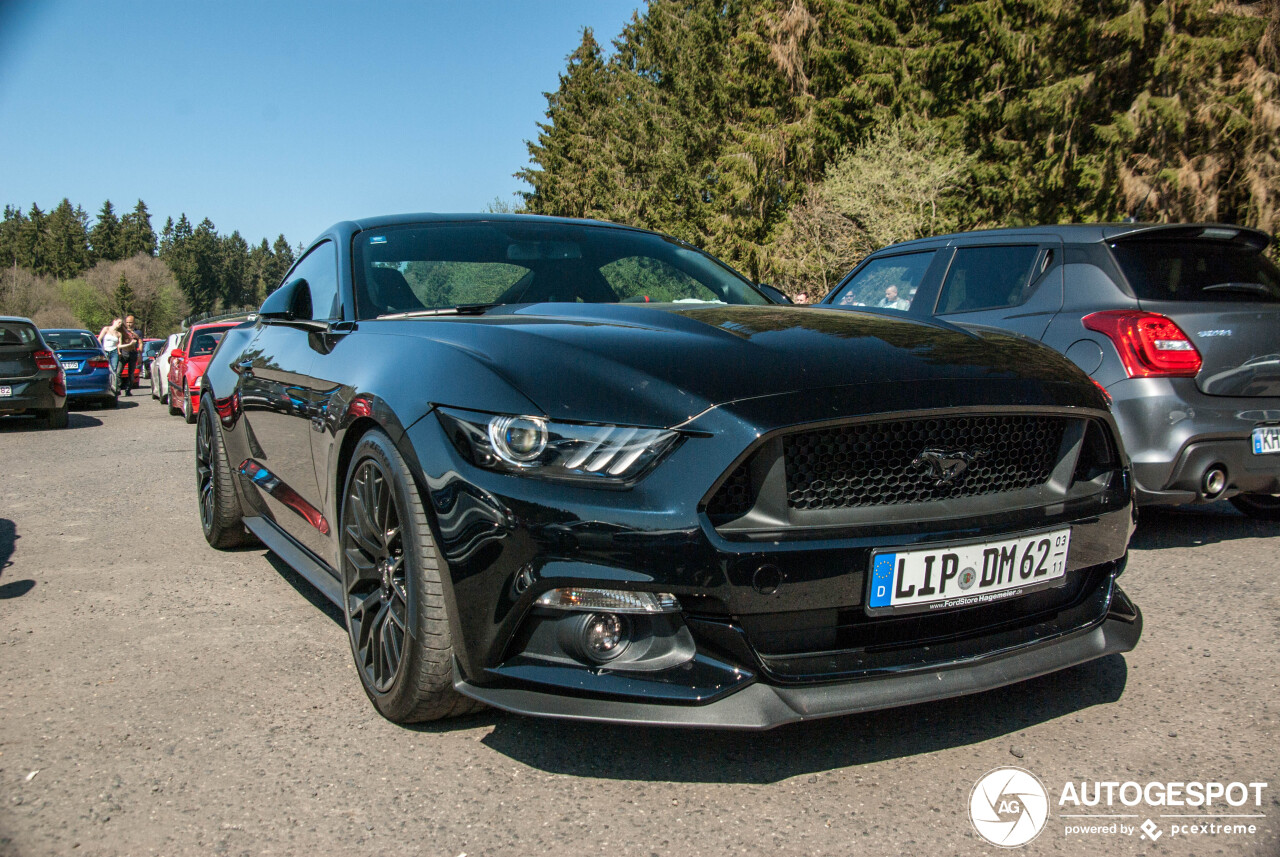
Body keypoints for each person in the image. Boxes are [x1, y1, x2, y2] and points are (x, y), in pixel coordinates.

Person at [118, 314, 141, 395]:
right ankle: (118, 388)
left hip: (133, 354)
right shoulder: (122, 331)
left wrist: (131, 332)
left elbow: (139, 339)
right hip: (124, 353)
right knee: (118, 372)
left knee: (131, 374)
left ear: (134, 322)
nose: (128, 324)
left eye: (130, 322)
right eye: (127, 322)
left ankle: (128, 390)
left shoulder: (138, 331)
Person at [99, 318, 123, 391]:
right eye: (119, 322)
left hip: (114, 352)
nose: (120, 324)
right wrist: (101, 350)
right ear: (114, 321)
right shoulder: (106, 329)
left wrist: (119, 352)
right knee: (106, 368)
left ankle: (114, 387)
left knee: (114, 369)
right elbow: (99, 339)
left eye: (121, 323)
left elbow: (119, 345)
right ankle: (105, 385)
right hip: (105, 350)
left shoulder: (119, 334)